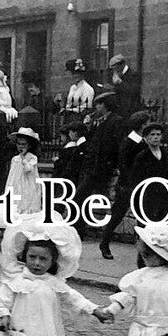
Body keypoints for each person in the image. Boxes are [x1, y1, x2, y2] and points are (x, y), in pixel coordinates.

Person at [100, 110, 152, 259]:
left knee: (143, 217)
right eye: (148, 123)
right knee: (117, 215)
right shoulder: (129, 141)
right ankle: (104, 243)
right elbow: (123, 164)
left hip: (141, 185)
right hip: (127, 186)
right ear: (142, 125)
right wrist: (131, 182)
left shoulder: (142, 141)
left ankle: (143, 250)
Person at [74, 92, 125, 235]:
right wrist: (88, 127)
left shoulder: (116, 121)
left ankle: (95, 230)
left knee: (90, 197)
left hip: (105, 167)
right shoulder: (97, 120)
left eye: (99, 104)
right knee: (82, 197)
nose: (96, 107)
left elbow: (118, 144)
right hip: (93, 166)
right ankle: (81, 228)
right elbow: (91, 142)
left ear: (107, 104)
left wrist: (116, 165)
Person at [127, 122, 168, 228]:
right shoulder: (142, 157)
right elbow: (135, 178)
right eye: (152, 135)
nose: (156, 137)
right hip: (147, 197)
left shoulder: (167, 155)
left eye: (158, 134)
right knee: (146, 227)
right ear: (146, 138)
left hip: (163, 196)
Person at [5, 127, 42, 214]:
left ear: (29, 145)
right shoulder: (15, 159)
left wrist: (24, 159)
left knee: (26, 201)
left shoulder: (32, 157)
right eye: (19, 144)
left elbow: (28, 169)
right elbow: (12, 175)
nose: (21, 146)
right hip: (16, 183)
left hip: (28, 184)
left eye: (24, 144)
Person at [52, 121, 86, 192]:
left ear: (75, 133)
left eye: (70, 132)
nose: (69, 135)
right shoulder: (77, 146)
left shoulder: (80, 147)